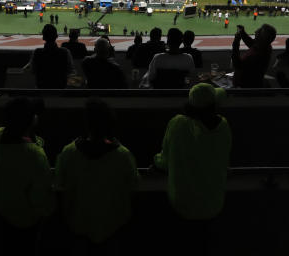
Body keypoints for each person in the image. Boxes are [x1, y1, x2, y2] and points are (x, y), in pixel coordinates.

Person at [55, 99, 139, 250]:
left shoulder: (69, 152)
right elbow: (133, 184)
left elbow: (60, 182)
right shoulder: (123, 155)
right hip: (113, 223)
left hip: (78, 223)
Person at [0, 97, 54, 255]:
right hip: (25, 218)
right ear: (31, 121)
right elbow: (40, 196)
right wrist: (47, 211)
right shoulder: (35, 155)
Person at [154, 84, 231, 230]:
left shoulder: (178, 123)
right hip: (213, 203)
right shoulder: (224, 127)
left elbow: (163, 161)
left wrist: (156, 163)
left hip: (181, 203)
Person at [27, 24, 74, 89]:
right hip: (60, 89)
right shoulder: (65, 52)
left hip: (41, 89)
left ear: (43, 37)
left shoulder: (36, 52)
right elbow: (70, 71)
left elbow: (32, 71)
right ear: (56, 36)